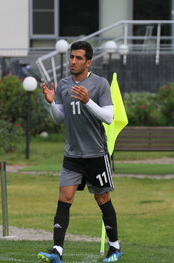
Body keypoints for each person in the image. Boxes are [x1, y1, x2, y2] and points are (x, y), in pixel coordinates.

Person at [38, 41, 122, 263]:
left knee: (102, 199)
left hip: (96, 153)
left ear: (88, 62)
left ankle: (115, 247)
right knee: (64, 197)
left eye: (78, 58)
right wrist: (51, 103)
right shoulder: (64, 84)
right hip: (72, 155)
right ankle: (57, 250)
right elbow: (60, 118)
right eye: (71, 57)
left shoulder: (99, 84)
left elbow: (108, 117)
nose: (72, 61)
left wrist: (88, 101)